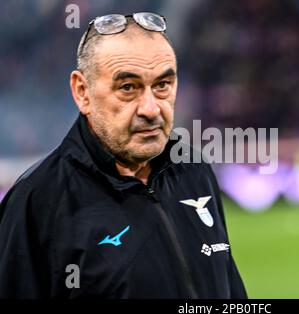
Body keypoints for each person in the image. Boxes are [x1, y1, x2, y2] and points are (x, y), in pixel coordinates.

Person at [0, 12, 247, 299]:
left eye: (162, 85)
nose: (151, 109)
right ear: (82, 92)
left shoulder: (192, 169)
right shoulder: (38, 201)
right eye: (128, 88)